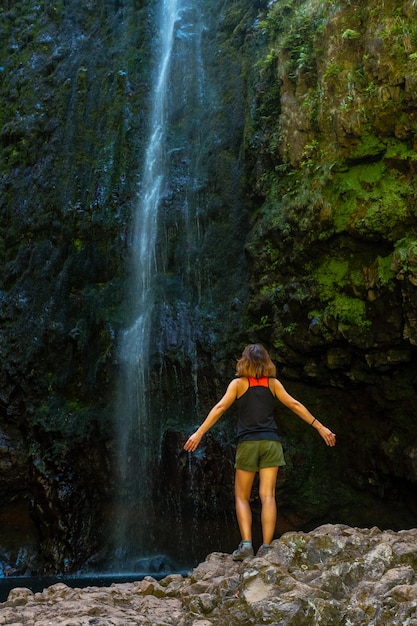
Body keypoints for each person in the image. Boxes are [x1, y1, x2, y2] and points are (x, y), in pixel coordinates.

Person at [183, 343, 336, 560]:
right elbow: (294, 404)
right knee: (268, 496)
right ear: (266, 363)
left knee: (242, 496)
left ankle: (246, 545)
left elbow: (219, 408)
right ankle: (266, 547)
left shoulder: (238, 384)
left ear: (244, 362)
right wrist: (320, 427)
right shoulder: (273, 385)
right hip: (271, 443)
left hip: (248, 444)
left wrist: (198, 434)